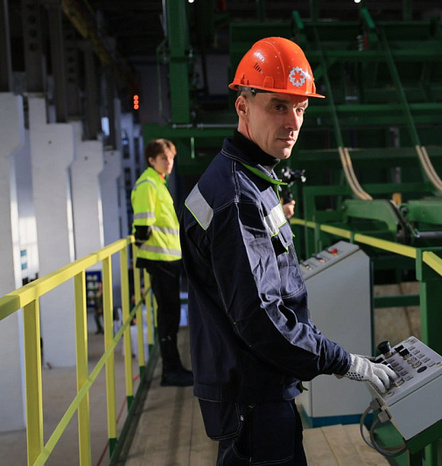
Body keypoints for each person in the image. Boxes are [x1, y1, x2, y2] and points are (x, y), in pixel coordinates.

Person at [179, 37, 396, 465]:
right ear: (243, 106)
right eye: (279, 106)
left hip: (252, 388)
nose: (293, 122)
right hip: (254, 399)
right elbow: (260, 319)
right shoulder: (237, 197)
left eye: (301, 108)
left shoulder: (249, 179)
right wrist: (347, 363)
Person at [131, 138, 193, 387]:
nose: (169, 162)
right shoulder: (148, 184)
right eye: (164, 158)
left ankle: (173, 368)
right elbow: (142, 227)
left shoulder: (157, 183)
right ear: (151, 160)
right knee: (168, 317)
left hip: (168, 258)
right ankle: (171, 371)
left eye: (171, 158)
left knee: (171, 315)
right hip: (160, 260)